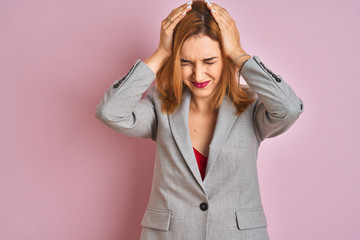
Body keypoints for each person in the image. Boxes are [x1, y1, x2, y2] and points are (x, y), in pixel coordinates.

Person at [95, 1, 304, 239]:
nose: (198, 74)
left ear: (225, 59)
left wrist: (238, 52)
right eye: (186, 62)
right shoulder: (160, 105)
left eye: (209, 61)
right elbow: (110, 112)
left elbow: (289, 109)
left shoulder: (253, 107)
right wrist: (162, 51)